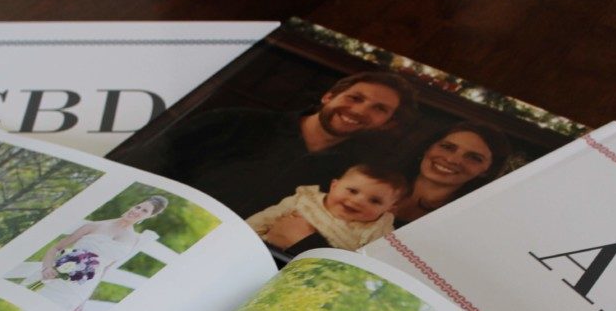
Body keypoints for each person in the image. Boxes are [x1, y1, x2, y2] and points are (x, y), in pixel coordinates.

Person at [117, 72, 417, 218]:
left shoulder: (351, 178)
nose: (361, 110)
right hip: (151, 217)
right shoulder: (235, 121)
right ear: (329, 96)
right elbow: (143, 162)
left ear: (386, 123)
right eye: (355, 97)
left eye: (379, 109)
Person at [34, 196, 168, 311]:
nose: (137, 211)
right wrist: (47, 268)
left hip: (81, 290)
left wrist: (85, 299)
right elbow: (56, 248)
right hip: (58, 278)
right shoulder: (95, 226)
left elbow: (103, 270)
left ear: (150, 216)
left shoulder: (133, 240)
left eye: (144, 211)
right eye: (138, 207)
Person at [246, 163, 408, 251]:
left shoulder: (379, 230)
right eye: (352, 191)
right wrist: (245, 237)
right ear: (334, 186)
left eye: (374, 201)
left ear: (389, 208)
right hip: (264, 250)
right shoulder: (304, 199)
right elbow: (265, 218)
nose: (358, 201)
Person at [393, 122, 511, 226]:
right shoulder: (376, 178)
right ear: (428, 148)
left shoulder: (462, 224)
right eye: (447, 147)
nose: (451, 160)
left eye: (474, 158)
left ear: (487, 171)